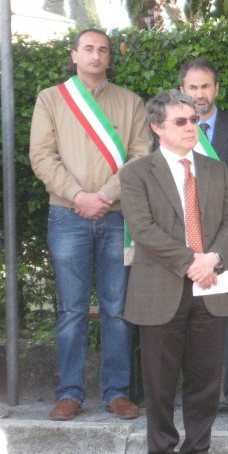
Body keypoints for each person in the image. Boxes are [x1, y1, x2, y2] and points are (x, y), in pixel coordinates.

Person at [29, 28, 152, 421]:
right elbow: (42, 156)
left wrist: (107, 194)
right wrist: (78, 196)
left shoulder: (131, 102)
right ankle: (70, 392)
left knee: (117, 309)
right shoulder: (51, 99)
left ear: (109, 57)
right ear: (74, 54)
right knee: (71, 309)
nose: (96, 55)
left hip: (117, 216)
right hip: (68, 215)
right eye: (88, 49)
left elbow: (141, 155)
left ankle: (117, 392)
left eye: (103, 50)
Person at [120, 90, 228, 454]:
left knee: (205, 381)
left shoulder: (216, 170)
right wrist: (194, 262)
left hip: (210, 289)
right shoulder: (136, 173)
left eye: (194, 120)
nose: (192, 127)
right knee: (159, 383)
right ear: (158, 128)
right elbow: (143, 230)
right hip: (161, 290)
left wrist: (213, 258)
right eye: (181, 121)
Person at [179, 58, 228, 424]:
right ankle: (196, 399)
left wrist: (212, 175)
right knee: (186, 319)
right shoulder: (171, 127)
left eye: (205, 86)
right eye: (193, 87)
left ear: (216, 89)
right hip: (183, 239)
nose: (199, 94)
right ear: (182, 90)